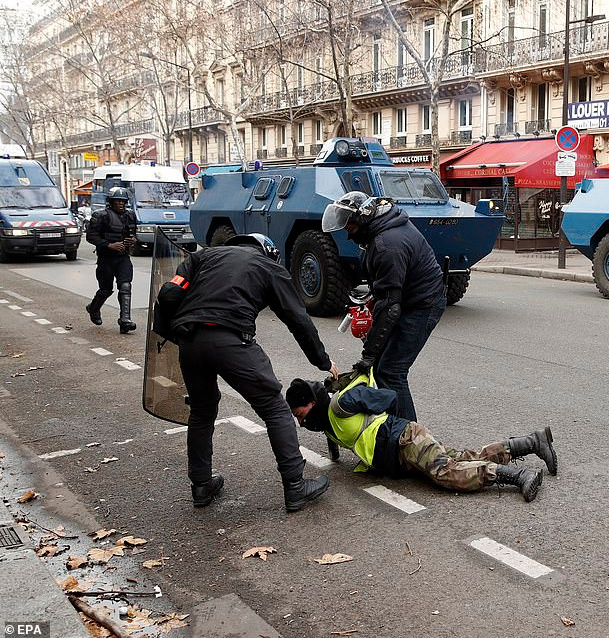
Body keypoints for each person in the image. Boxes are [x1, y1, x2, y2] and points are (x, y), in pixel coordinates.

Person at [154, 233, 338, 512]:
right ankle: (295, 487)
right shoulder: (268, 267)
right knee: (275, 409)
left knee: (202, 412)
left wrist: (176, 335)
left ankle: (201, 486)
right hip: (231, 340)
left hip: (189, 342)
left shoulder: (202, 257)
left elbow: (168, 296)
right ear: (267, 251)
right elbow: (298, 319)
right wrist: (322, 361)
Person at [285, 373, 557, 502]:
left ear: (311, 402)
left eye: (300, 414)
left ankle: (519, 476)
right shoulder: (327, 421)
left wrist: (394, 430)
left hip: (405, 440)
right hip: (402, 452)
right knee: (463, 458)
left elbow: (389, 396)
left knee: (448, 473)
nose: (301, 421)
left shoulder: (341, 404)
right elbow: (337, 438)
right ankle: (532, 442)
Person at [322, 192, 446, 422]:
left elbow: (391, 308)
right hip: (411, 298)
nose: (349, 237)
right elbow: (388, 291)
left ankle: (408, 440)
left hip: (422, 305)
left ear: (364, 219)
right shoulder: (383, 229)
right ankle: (390, 426)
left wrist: (368, 354)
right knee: (382, 366)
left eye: (350, 229)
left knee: (391, 371)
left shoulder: (387, 245)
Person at [85, 186, 137, 333]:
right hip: (105, 259)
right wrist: (109, 245)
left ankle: (125, 319)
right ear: (111, 202)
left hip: (123, 258)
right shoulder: (100, 216)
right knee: (106, 289)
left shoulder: (130, 216)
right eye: (117, 201)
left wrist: (131, 240)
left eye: (123, 201)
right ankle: (93, 308)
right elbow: (91, 236)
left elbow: (134, 234)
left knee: (125, 286)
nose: (120, 203)